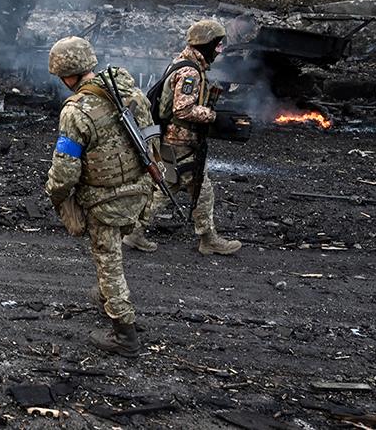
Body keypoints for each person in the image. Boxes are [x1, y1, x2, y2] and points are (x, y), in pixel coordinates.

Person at [44, 36, 154, 358]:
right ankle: (110, 298)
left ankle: (124, 333)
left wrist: (55, 196)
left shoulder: (76, 111)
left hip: (105, 202)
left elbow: (65, 170)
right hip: (141, 191)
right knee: (114, 253)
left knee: (109, 262)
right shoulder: (131, 93)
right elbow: (151, 142)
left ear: (67, 76)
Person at [123, 19, 241, 256]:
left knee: (168, 186)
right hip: (180, 141)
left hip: (171, 139)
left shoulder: (182, 62)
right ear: (206, 44)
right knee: (201, 189)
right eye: (217, 46)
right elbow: (182, 109)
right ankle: (208, 239)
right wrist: (214, 116)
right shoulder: (190, 72)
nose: (219, 52)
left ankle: (134, 232)